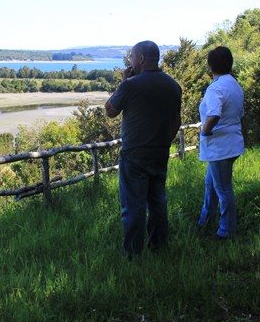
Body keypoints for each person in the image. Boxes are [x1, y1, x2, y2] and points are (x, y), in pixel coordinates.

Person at [105, 41, 182, 257]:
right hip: (160, 153)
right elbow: (176, 121)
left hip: (134, 155)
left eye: (131, 57)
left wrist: (123, 82)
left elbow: (110, 110)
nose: (130, 61)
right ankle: (159, 247)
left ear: (139, 59)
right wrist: (165, 141)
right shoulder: (173, 86)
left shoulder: (131, 85)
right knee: (158, 201)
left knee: (134, 206)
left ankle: (132, 254)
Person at [196, 46, 245, 240]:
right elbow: (240, 114)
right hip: (232, 142)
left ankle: (226, 231)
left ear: (210, 66)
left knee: (224, 190)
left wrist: (204, 131)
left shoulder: (215, 88)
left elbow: (214, 114)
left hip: (220, 146)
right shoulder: (234, 84)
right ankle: (205, 219)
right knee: (211, 184)